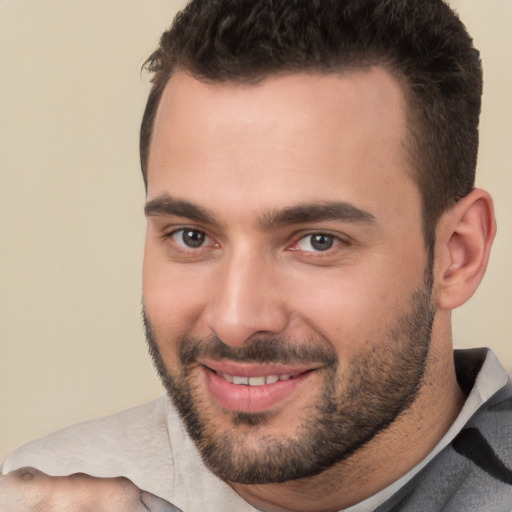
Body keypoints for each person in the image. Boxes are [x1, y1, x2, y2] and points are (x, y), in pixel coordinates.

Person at [1, 0, 511, 510]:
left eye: (318, 241)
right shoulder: (42, 489)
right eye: (191, 236)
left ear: (457, 254)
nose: (235, 320)